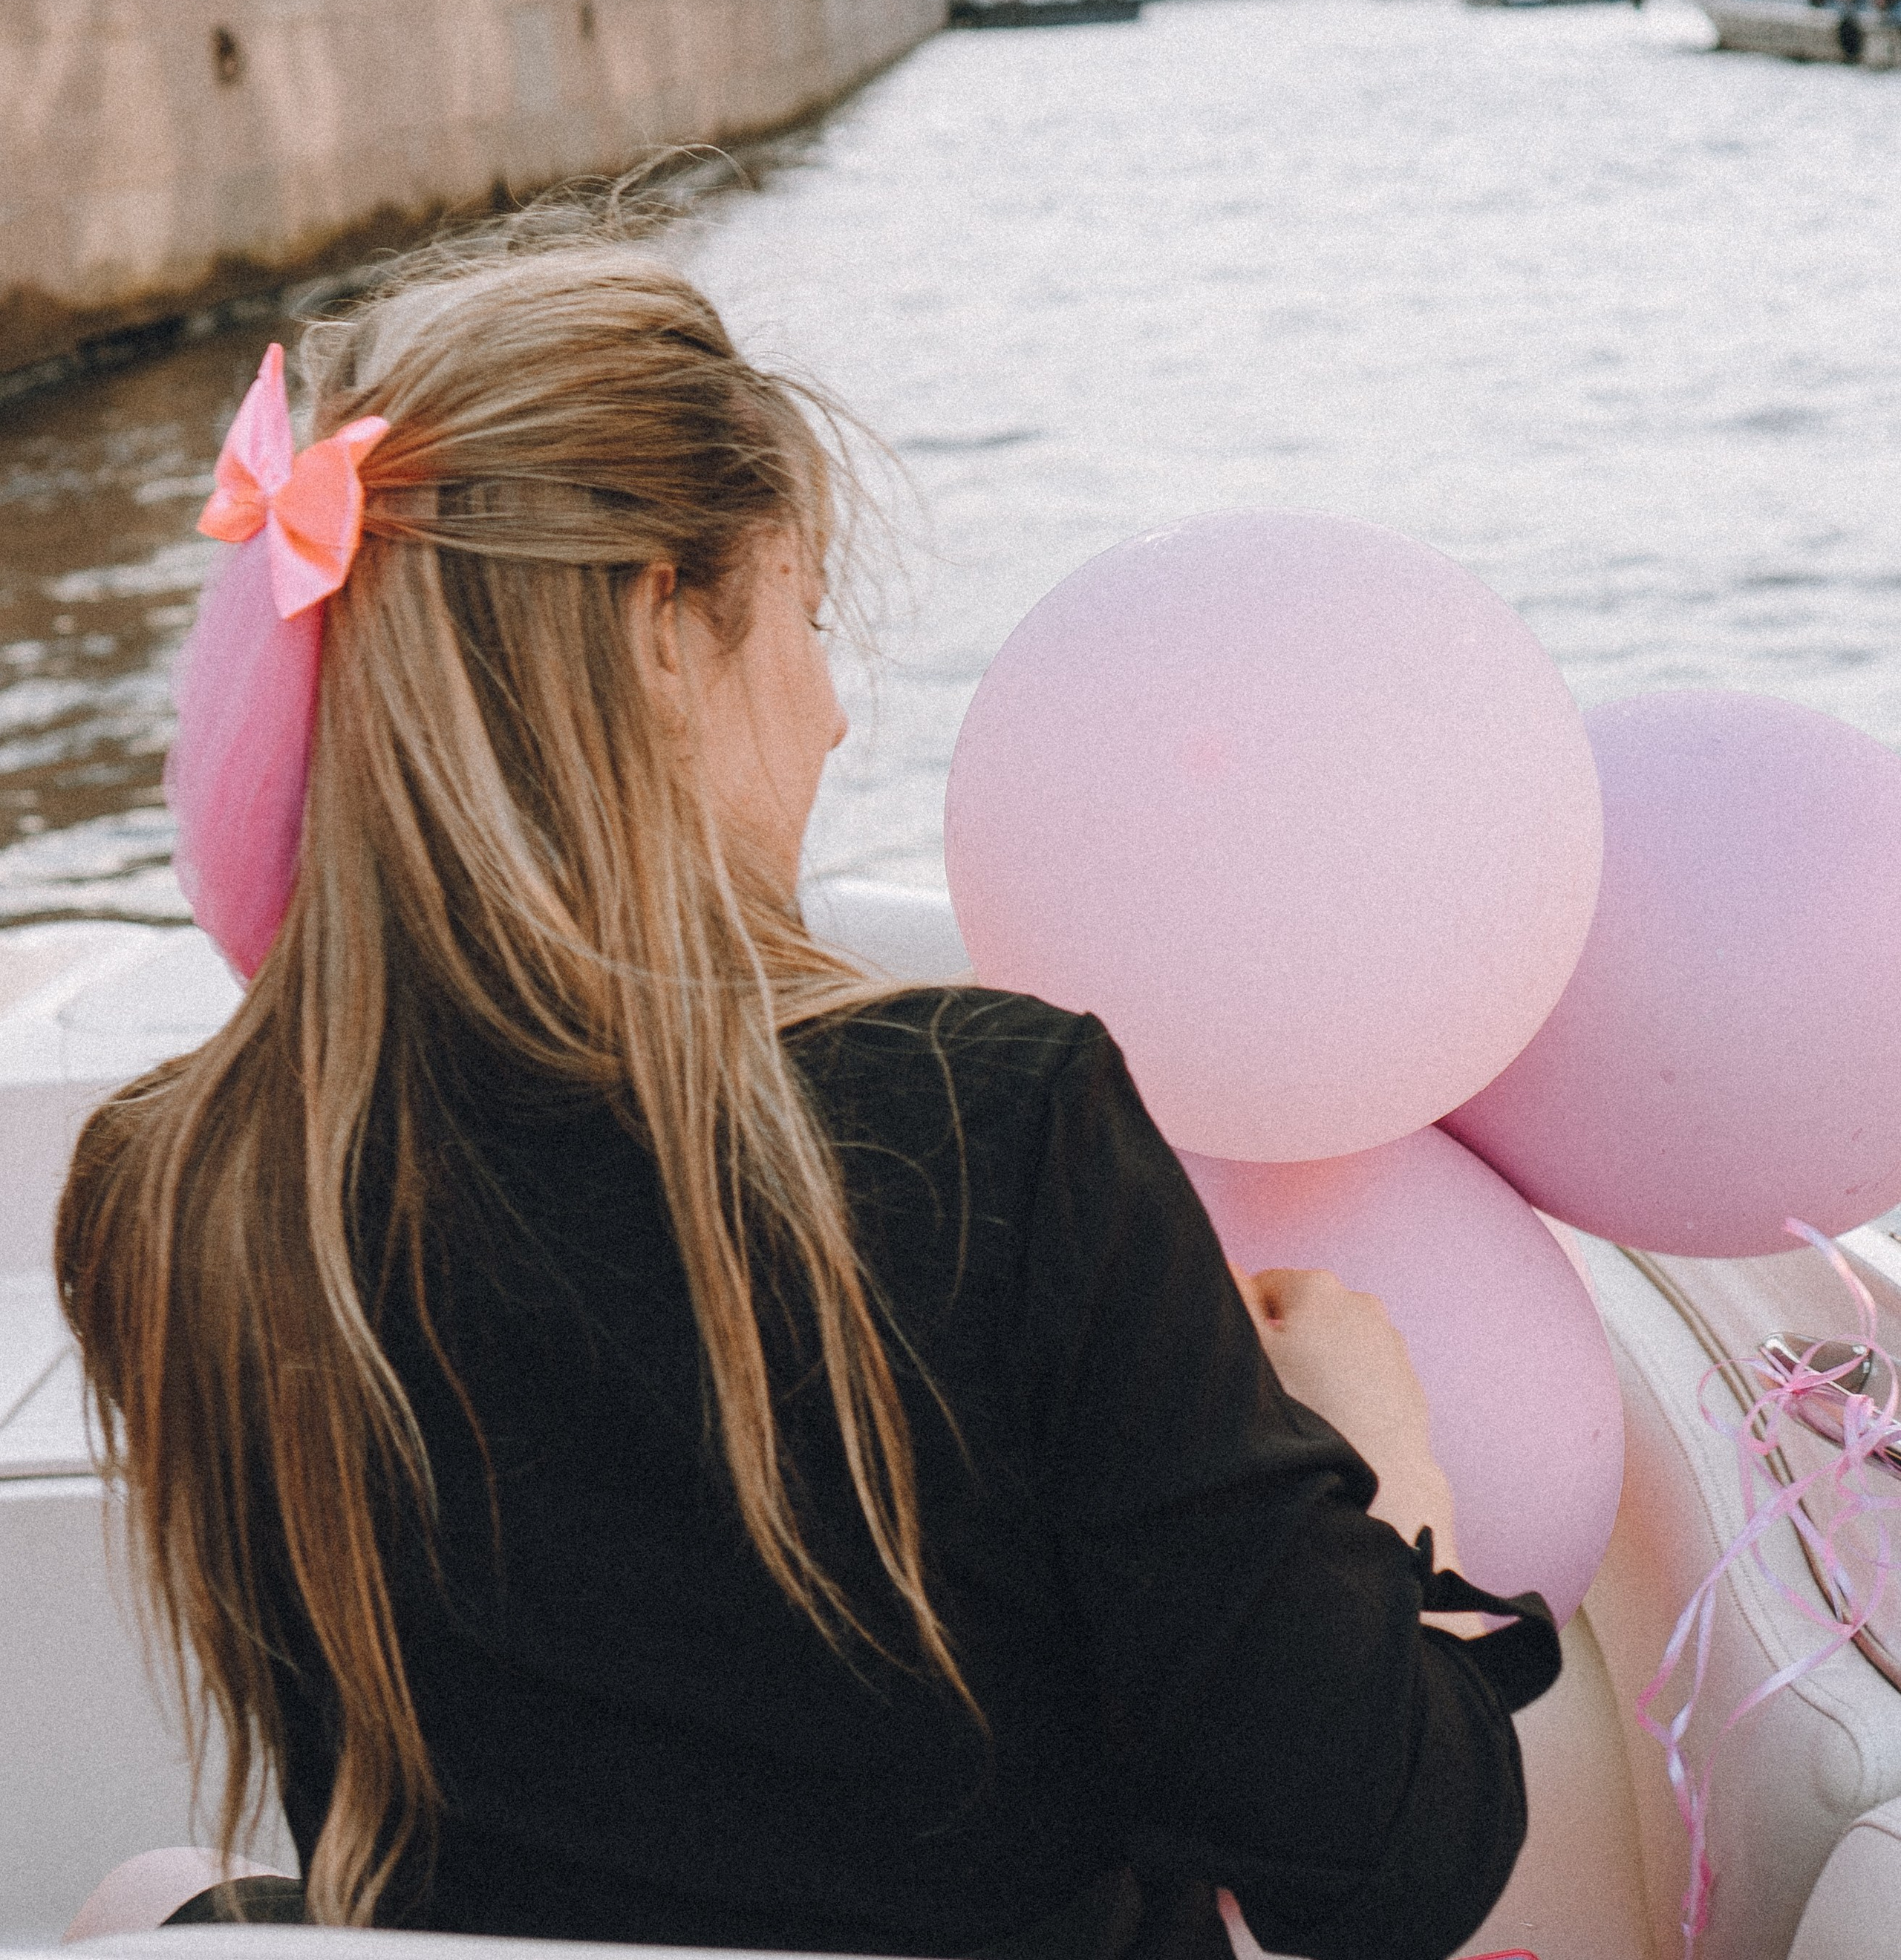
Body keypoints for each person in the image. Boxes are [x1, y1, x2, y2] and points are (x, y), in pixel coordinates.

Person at [57, 232, 1555, 1959]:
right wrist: (1376, 1466)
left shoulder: (170, 1186)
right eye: (805, 615)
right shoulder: (990, 1127)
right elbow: (1379, 1868)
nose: (834, 717)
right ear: (660, 627)